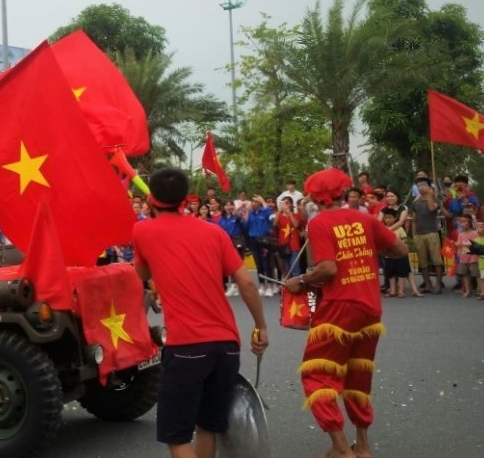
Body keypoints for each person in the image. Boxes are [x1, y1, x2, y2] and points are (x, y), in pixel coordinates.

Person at [133, 167, 268, 458]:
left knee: (178, 436)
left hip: (186, 347)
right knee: (207, 426)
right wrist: (262, 327)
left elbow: (142, 272)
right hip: (227, 346)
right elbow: (246, 283)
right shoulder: (214, 232)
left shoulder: (143, 230)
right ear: (185, 197)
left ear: (152, 198)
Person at [284, 168, 408, 458]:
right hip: (370, 310)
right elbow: (400, 249)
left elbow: (328, 268)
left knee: (317, 375)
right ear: (342, 193)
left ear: (316, 197)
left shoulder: (320, 223)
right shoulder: (365, 218)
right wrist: (369, 252)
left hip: (340, 308)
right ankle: (362, 446)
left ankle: (342, 450)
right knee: (358, 375)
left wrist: (300, 280)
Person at [410, 177, 445, 294]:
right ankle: (428, 284)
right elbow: (414, 220)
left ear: (430, 187)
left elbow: (431, 208)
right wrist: (414, 235)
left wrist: (430, 194)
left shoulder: (435, 200)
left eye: (424, 185)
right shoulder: (416, 203)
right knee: (422, 261)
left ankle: (438, 285)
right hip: (419, 234)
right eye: (419, 185)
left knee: (437, 260)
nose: (421, 188)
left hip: (432, 233)